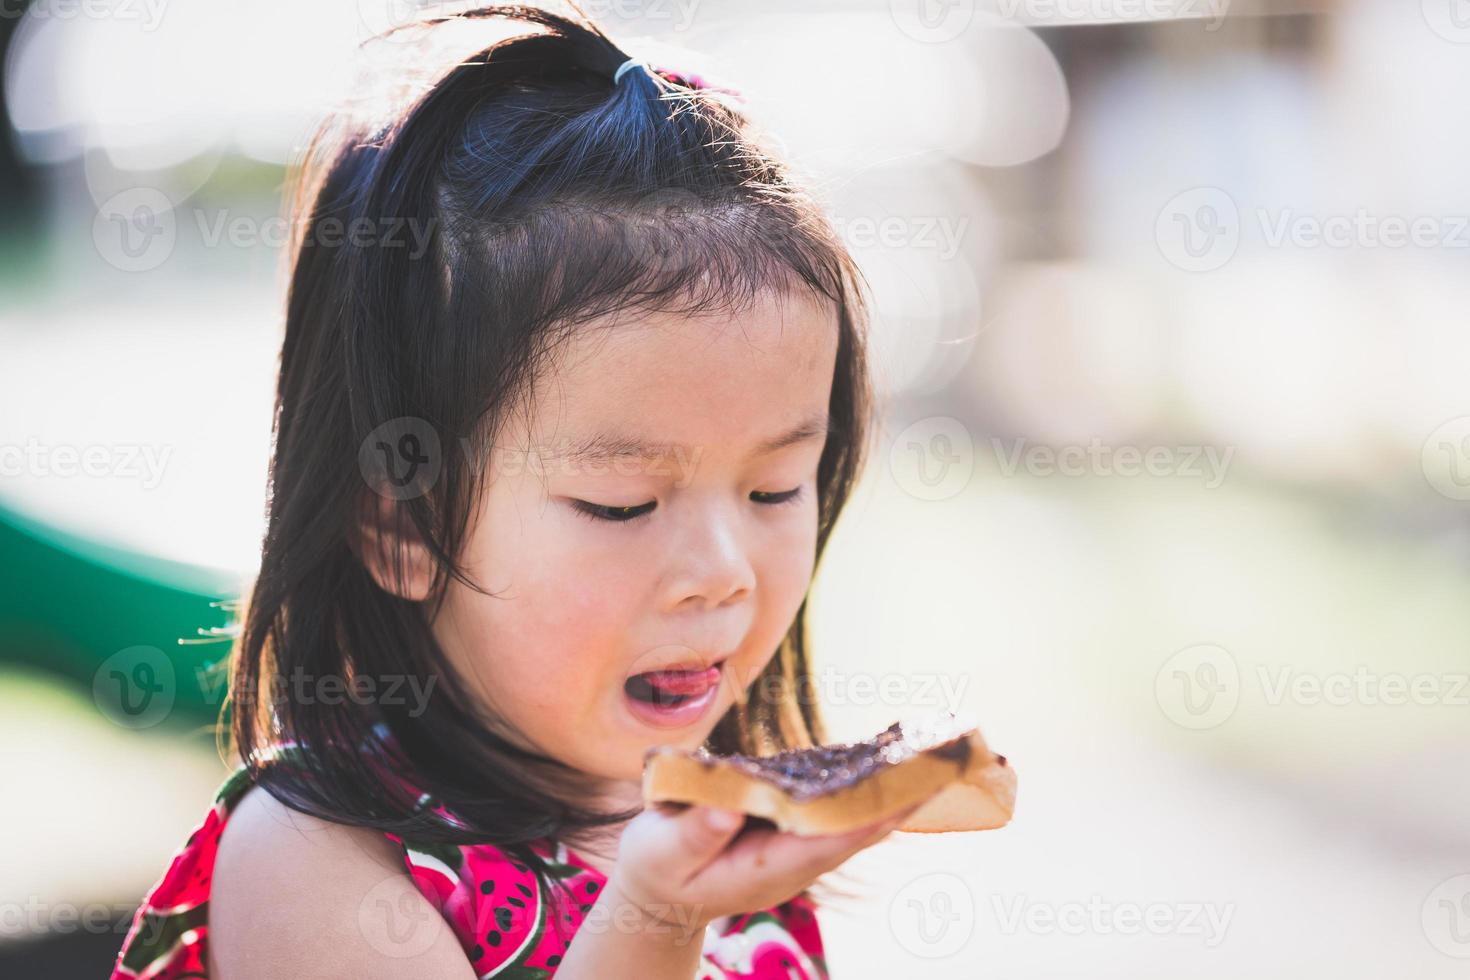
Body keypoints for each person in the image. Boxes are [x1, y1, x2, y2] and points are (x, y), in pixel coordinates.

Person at [110, 4, 908, 977]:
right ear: (401, 520)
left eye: (776, 487)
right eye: (623, 503)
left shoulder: (720, 825)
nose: (722, 571)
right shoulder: (313, 855)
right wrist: (655, 920)